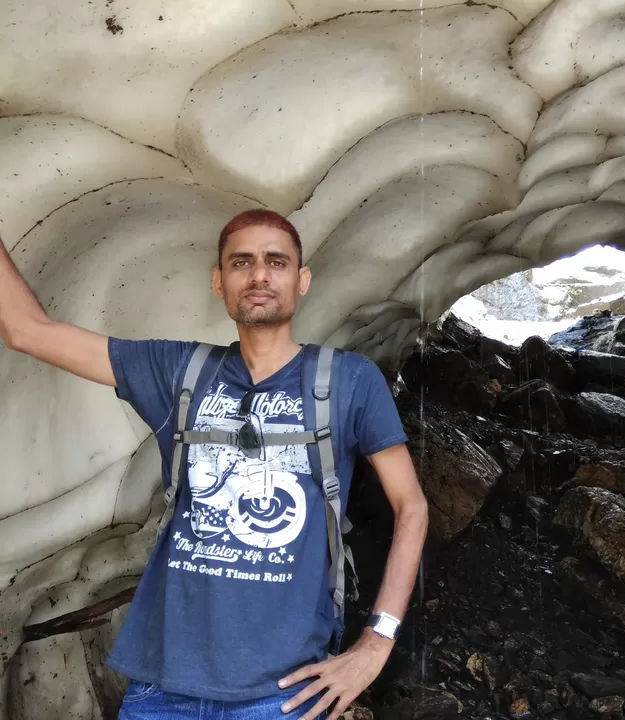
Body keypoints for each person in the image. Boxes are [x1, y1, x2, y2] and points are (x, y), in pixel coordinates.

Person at [0, 209, 429, 720]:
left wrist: (377, 642)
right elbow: (28, 331)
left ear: (303, 279)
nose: (260, 275)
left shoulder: (350, 380)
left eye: (277, 261)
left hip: (286, 691)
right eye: (241, 262)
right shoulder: (179, 371)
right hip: (162, 689)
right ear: (219, 282)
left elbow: (412, 507)